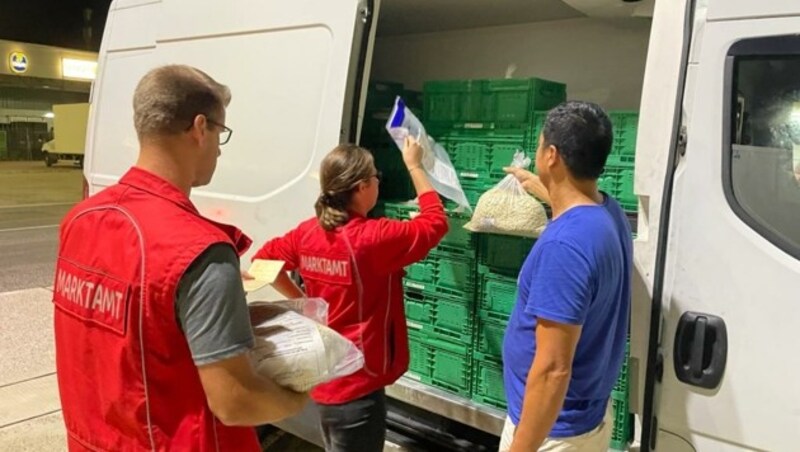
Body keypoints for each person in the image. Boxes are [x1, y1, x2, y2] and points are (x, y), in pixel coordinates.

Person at [52, 65, 307, 451]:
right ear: (199, 128)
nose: (219, 148)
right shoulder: (201, 250)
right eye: (221, 133)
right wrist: (298, 398)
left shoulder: (80, 221)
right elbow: (236, 401)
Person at [251, 138, 449, 451]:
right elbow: (436, 222)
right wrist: (414, 164)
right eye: (375, 178)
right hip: (358, 385)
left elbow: (263, 263)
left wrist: (305, 304)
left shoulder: (308, 232)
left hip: (326, 376)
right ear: (360, 188)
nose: (377, 184)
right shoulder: (372, 238)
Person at [500, 101, 632, 451]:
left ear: (552, 155)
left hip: (552, 431)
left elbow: (553, 370)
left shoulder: (564, 247)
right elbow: (573, 204)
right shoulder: (609, 211)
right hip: (587, 416)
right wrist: (539, 186)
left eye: (541, 144)